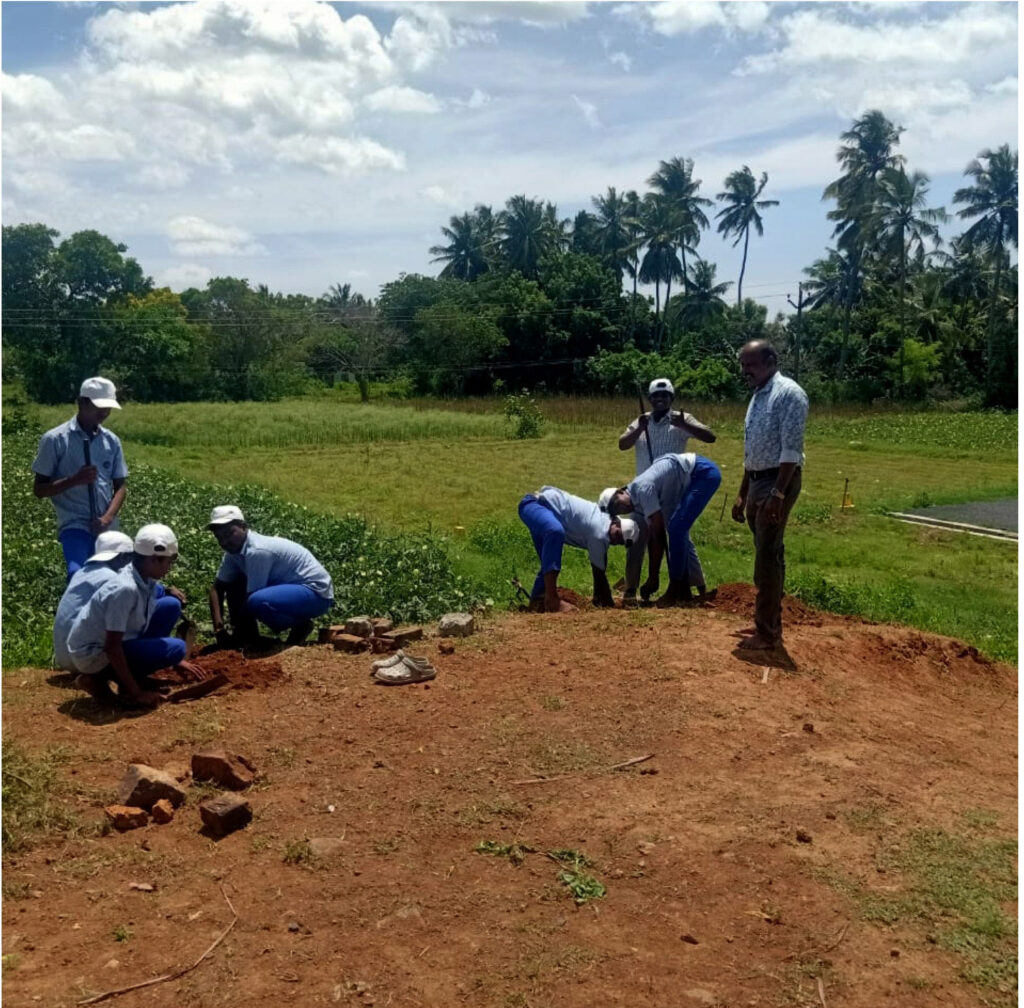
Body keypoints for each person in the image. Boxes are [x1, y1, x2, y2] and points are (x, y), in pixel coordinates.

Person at [66, 524, 201, 708]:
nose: (169, 568)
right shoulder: (124, 589)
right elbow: (112, 646)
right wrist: (136, 693)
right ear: (154, 559)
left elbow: (163, 598)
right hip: (94, 655)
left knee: (170, 605)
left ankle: (133, 676)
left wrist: (173, 661)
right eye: (168, 562)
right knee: (176, 647)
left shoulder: (144, 577)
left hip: (113, 643)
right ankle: (101, 679)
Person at [730, 340, 808, 651]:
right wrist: (742, 492)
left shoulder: (789, 394)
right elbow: (755, 451)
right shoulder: (758, 396)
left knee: (766, 557)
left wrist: (778, 492)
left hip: (778, 481)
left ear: (771, 361)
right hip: (758, 480)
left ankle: (767, 632)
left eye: (750, 364)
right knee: (768, 552)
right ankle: (768, 620)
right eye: (742, 365)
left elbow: (790, 450)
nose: (744, 371)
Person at [618, 378, 716, 601]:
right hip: (643, 492)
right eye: (656, 396)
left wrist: (684, 426)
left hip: (672, 490)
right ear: (651, 399)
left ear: (671, 398)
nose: (660, 399)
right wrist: (639, 430)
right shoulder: (641, 421)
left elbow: (710, 436)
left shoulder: (682, 419)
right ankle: (631, 589)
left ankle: (697, 586)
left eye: (665, 396)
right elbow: (622, 444)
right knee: (635, 535)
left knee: (678, 536)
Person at [32, 376, 128, 579]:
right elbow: (39, 490)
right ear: (82, 402)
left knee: (113, 578)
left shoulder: (112, 441)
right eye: (99, 407)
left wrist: (107, 518)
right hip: (74, 524)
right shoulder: (55, 439)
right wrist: (74, 480)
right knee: (77, 574)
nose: (105, 413)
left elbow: (121, 486)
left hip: (105, 526)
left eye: (108, 408)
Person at [53, 531, 189, 673]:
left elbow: (149, 589)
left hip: (69, 652)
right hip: (90, 655)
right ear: (121, 556)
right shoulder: (114, 580)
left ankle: (146, 654)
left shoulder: (83, 573)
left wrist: (165, 590)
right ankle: (135, 670)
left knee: (169, 605)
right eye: (129, 556)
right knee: (176, 644)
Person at [600, 452, 721, 607]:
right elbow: (653, 535)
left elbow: (658, 533)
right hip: (694, 474)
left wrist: (653, 578)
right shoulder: (638, 502)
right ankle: (685, 591)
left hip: (703, 473)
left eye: (617, 504)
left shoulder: (642, 489)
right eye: (617, 511)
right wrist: (652, 576)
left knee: (677, 529)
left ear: (621, 491)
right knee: (678, 529)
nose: (622, 509)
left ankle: (675, 588)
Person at [207, 506, 334, 648]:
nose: (224, 542)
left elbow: (250, 600)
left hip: (316, 593)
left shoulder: (257, 551)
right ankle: (248, 636)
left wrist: (238, 632)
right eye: (219, 537)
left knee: (257, 601)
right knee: (234, 583)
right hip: (290, 590)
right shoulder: (233, 552)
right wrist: (219, 630)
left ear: (243, 526)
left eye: (230, 533)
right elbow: (217, 588)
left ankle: (300, 625)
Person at [518, 488, 638, 612]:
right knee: (555, 532)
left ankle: (537, 601)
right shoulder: (600, 532)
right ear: (617, 522)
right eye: (617, 534)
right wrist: (605, 602)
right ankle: (552, 599)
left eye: (619, 542)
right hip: (534, 505)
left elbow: (601, 565)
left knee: (548, 561)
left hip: (542, 509)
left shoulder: (604, 520)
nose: (614, 540)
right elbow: (599, 573)